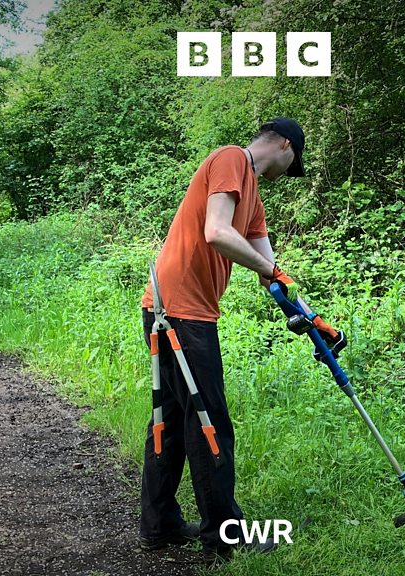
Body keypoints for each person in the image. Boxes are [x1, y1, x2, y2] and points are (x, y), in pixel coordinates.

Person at [138, 117, 305, 561]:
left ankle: (160, 524)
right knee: (210, 423)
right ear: (284, 145)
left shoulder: (253, 198)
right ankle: (224, 537)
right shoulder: (233, 159)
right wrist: (268, 270)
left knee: (172, 419)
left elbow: (267, 263)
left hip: (176, 310)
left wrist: (306, 314)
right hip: (180, 313)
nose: (290, 172)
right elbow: (216, 232)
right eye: (294, 162)